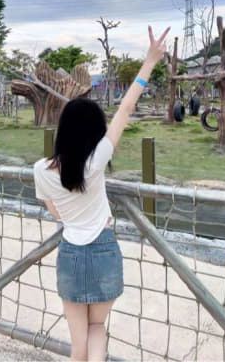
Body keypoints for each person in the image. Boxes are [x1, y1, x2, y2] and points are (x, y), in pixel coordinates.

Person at [34, 26, 170, 361]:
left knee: (77, 340)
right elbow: (126, 108)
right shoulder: (96, 161)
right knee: (97, 328)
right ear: (95, 131)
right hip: (104, 250)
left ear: (63, 130)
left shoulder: (40, 170)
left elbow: (56, 212)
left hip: (71, 254)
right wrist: (150, 61)